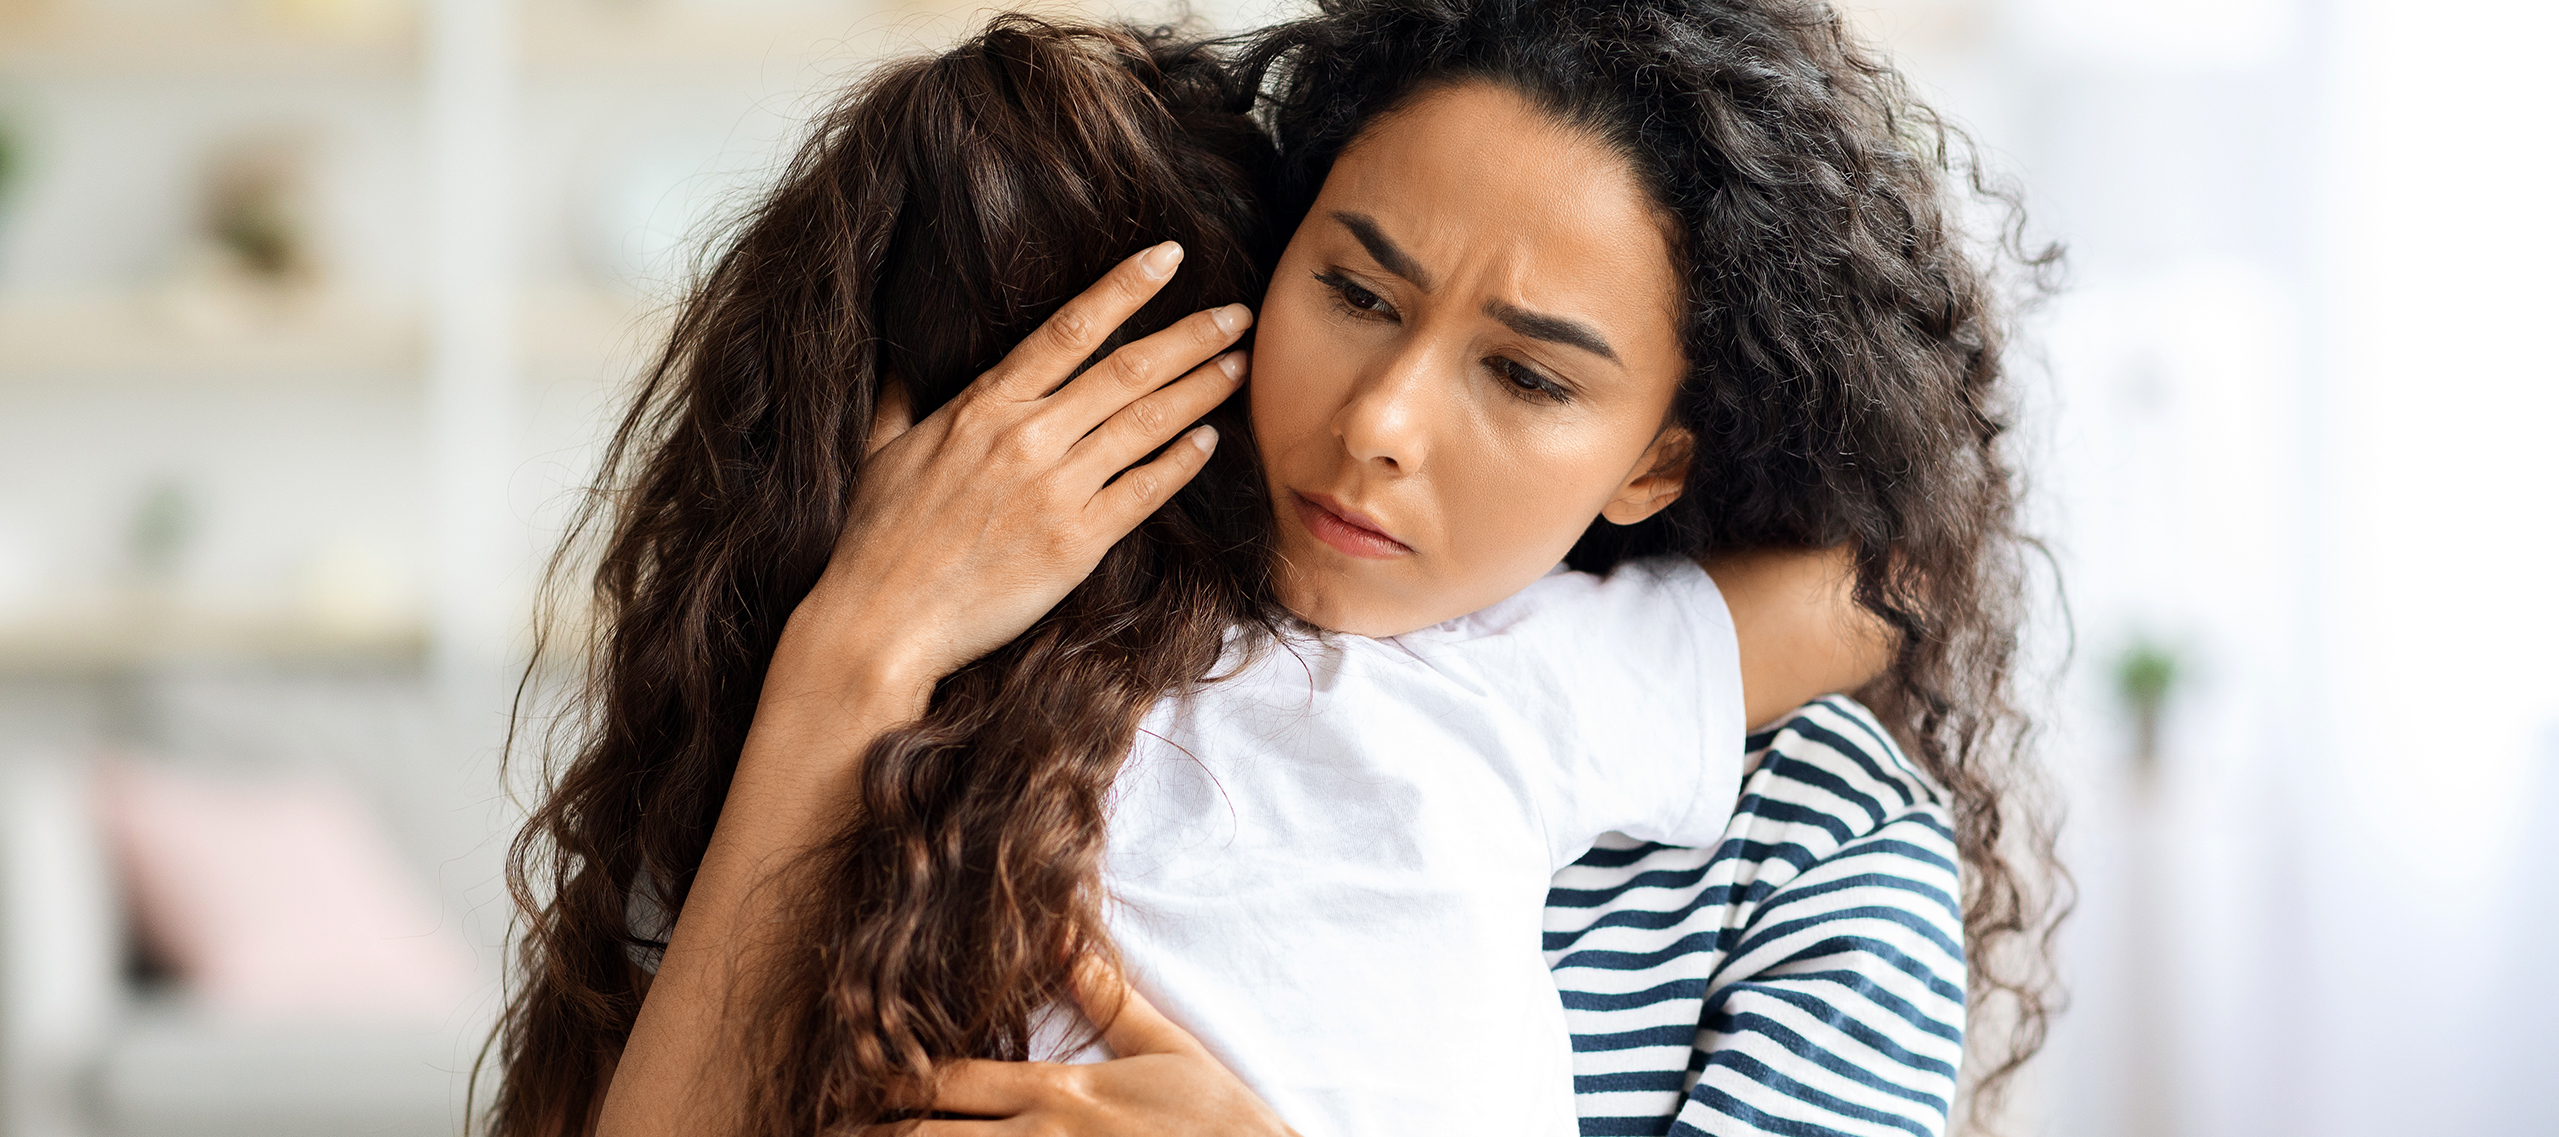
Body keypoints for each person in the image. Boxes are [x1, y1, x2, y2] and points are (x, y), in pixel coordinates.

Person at [491, 0, 2055, 1133]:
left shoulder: (1797, 834)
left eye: (1528, 378)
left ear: (1660, 455)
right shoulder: (962, 676)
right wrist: (858, 646)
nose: (1378, 422)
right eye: (1356, 292)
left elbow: (1883, 583)